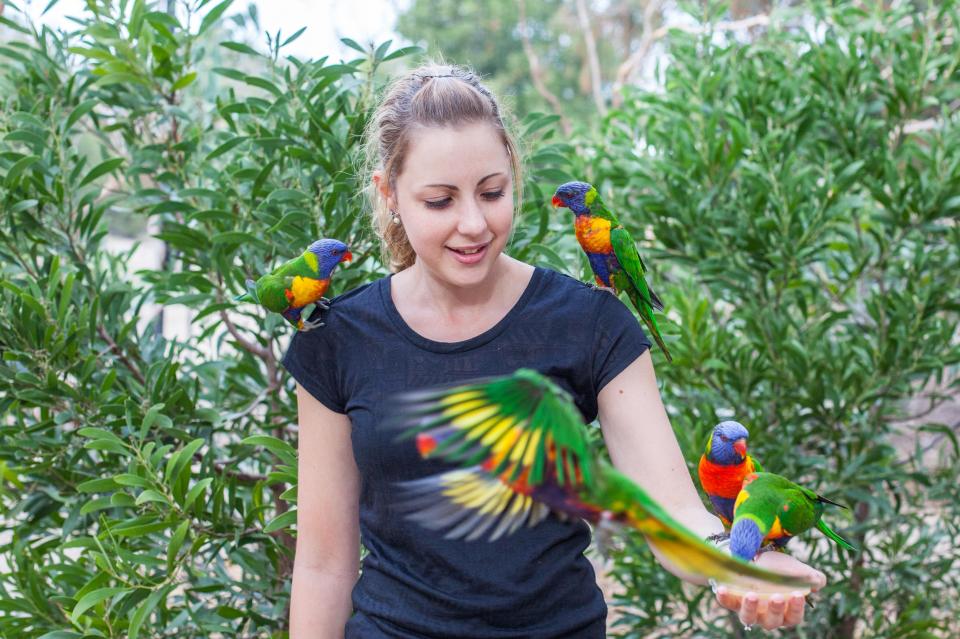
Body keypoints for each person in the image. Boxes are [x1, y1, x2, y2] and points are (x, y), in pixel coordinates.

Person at [281, 63, 826, 638]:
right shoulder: (338, 338)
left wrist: (737, 562)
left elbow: (673, 512)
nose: (473, 224)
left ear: (515, 174)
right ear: (389, 194)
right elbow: (322, 565)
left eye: (492, 192)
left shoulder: (590, 322)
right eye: (440, 201)